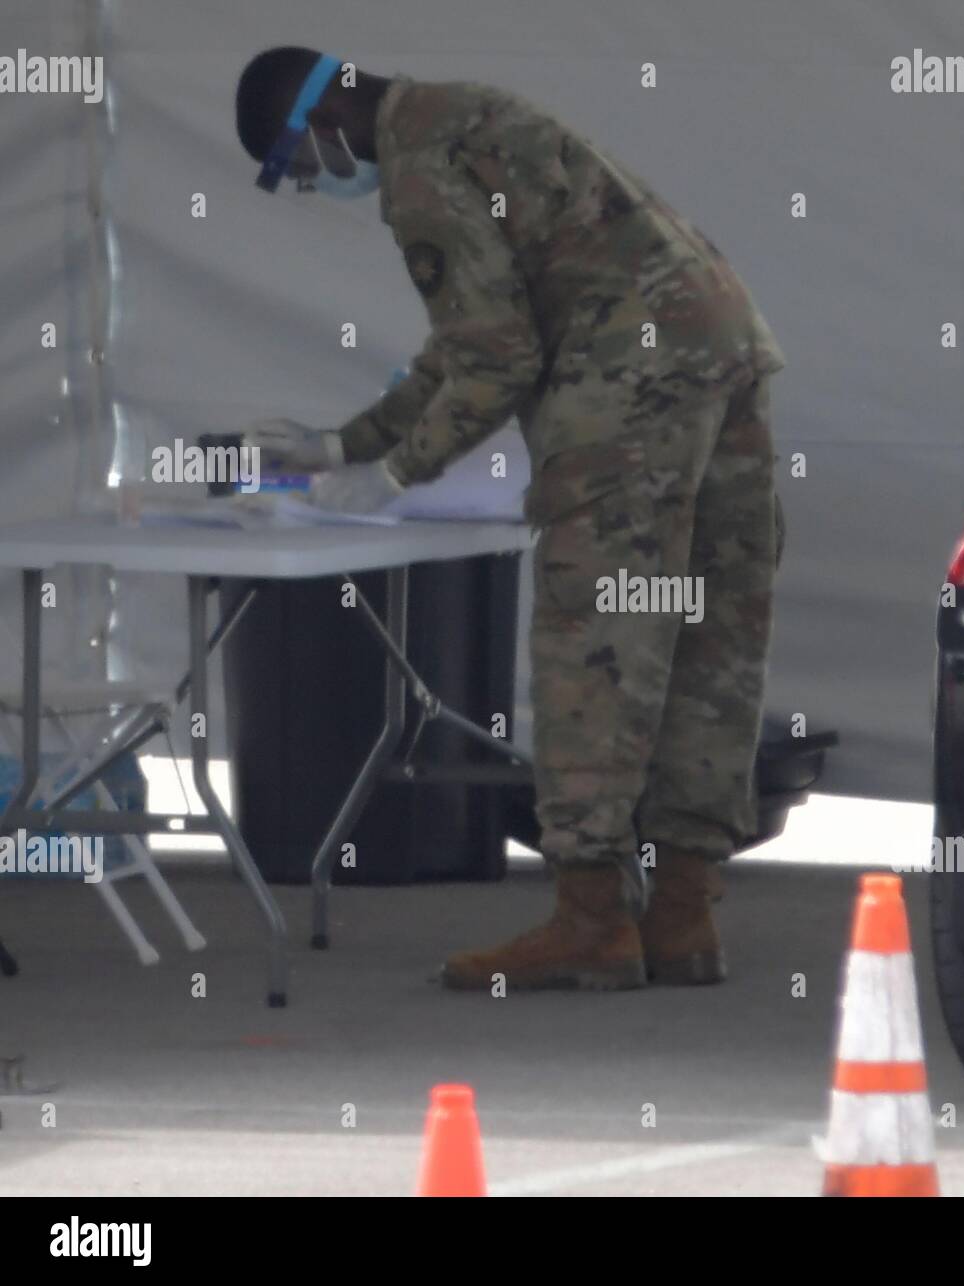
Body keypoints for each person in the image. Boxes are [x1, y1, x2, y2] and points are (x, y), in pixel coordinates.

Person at [235, 47, 785, 991]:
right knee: (707, 631)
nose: (318, 188)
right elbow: (469, 339)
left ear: (321, 126)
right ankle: (685, 912)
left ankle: (592, 922)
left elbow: (495, 358)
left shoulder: (419, 173)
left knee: (595, 638)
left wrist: (395, 473)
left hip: (628, 382)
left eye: (299, 172)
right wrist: (342, 446)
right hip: (717, 340)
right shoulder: (460, 114)